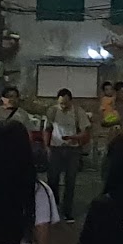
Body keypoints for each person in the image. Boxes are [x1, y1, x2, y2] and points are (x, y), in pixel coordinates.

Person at [45, 88, 91, 220]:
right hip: (56, 148)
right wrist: (46, 146)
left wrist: (75, 137)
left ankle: (67, 210)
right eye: (61, 103)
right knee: (52, 178)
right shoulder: (52, 111)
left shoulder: (78, 112)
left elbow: (85, 131)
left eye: (65, 103)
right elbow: (47, 129)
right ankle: (53, 206)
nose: (63, 106)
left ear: (71, 101)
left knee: (70, 180)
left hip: (73, 149)